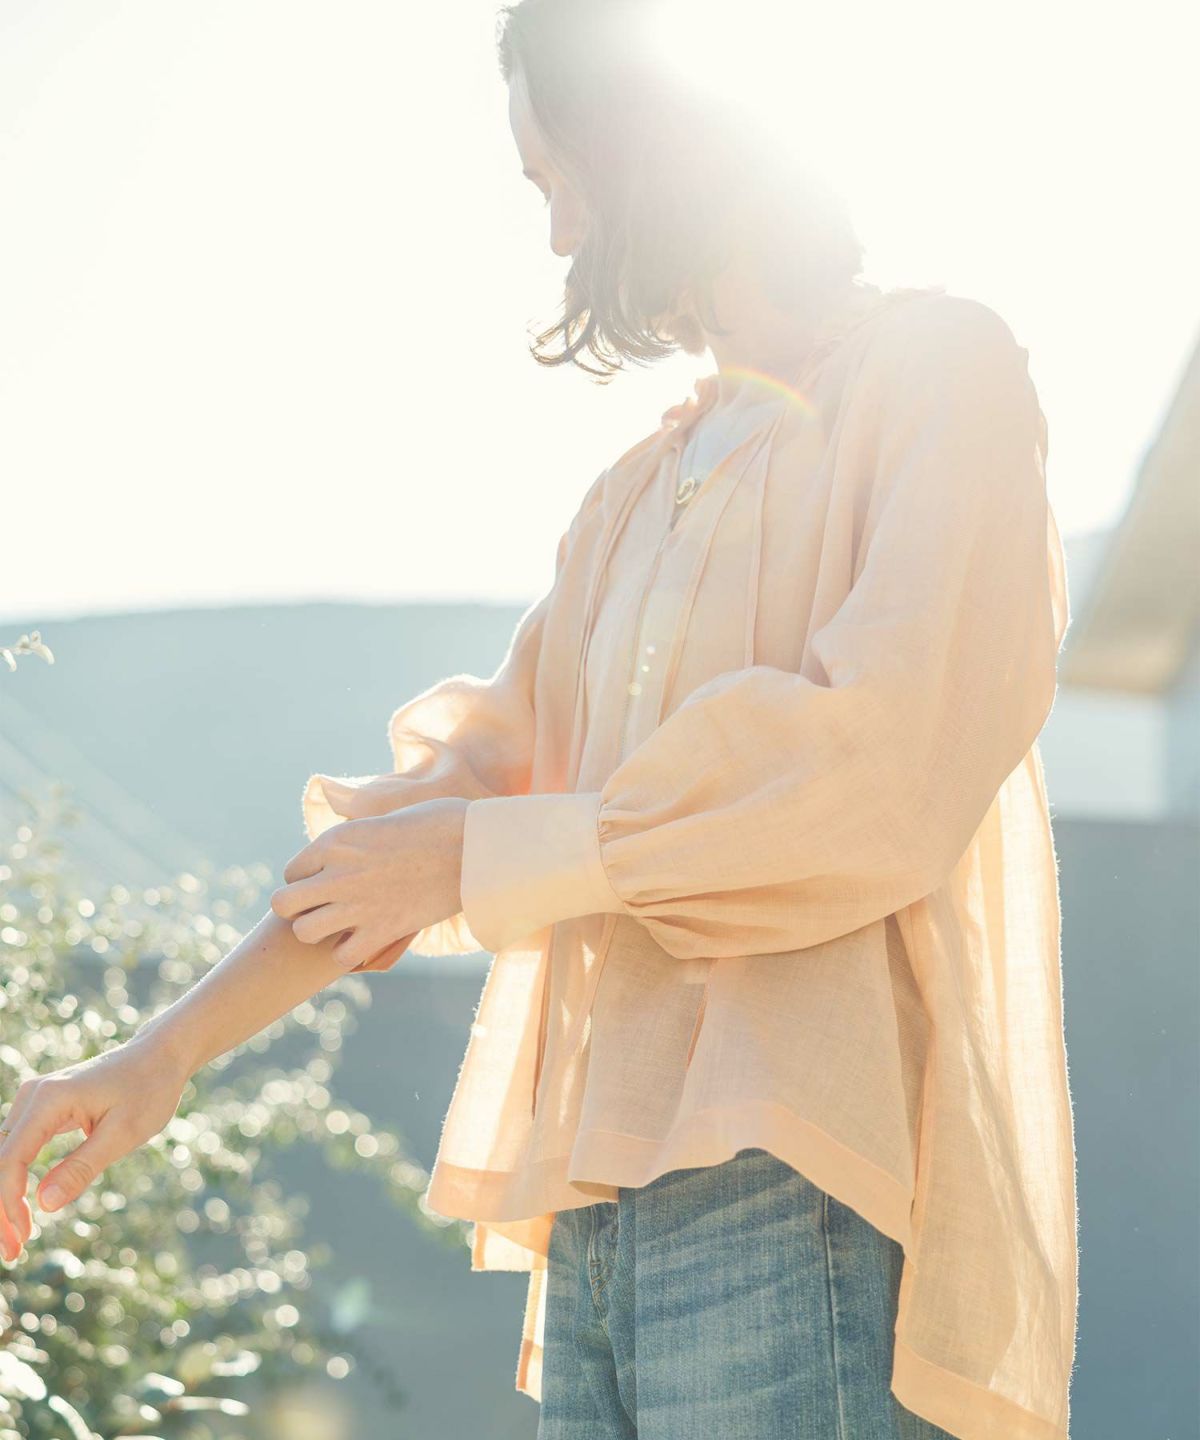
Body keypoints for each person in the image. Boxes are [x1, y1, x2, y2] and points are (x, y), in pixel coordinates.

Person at [0, 2, 1078, 1438]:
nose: (561, 232)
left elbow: (879, 763)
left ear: (654, 147)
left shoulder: (939, 371)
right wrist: (159, 1058)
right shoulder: (630, 498)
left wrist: (489, 853)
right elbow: (433, 821)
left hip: (794, 1177)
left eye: (556, 179)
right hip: (593, 1206)